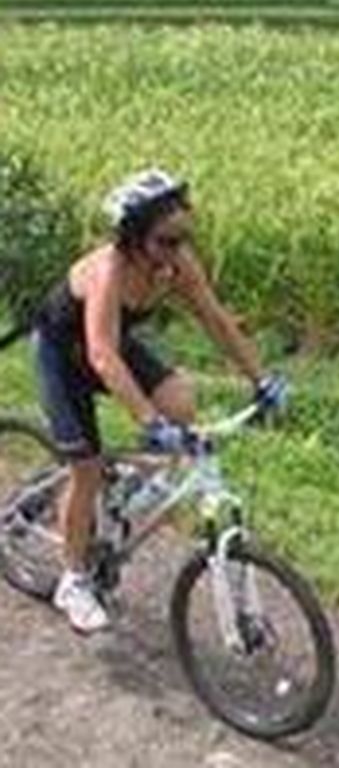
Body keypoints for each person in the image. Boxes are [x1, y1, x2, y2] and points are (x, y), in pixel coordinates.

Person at [29, 168, 287, 634]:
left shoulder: (177, 263)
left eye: (184, 236)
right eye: (167, 240)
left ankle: (124, 484)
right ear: (134, 237)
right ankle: (72, 580)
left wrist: (261, 378)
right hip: (64, 353)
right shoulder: (109, 269)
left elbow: (217, 321)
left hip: (106, 345)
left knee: (182, 404)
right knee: (85, 470)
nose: (178, 249)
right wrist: (147, 420)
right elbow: (102, 355)